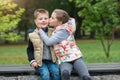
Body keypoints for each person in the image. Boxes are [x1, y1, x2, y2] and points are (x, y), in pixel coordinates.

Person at [37, 9, 92, 80]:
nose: (49, 19)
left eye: (52, 18)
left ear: (59, 22)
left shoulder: (63, 31)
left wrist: (40, 30)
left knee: (85, 75)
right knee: (64, 73)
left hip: (75, 58)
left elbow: (48, 42)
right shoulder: (61, 28)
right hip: (64, 60)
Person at [27, 8, 60, 80]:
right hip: (40, 62)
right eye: (40, 19)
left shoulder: (53, 32)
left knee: (56, 72)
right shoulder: (32, 35)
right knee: (45, 74)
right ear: (35, 21)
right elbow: (30, 49)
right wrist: (32, 60)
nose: (43, 20)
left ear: (48, 20)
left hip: (52, 60)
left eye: (45, 18)